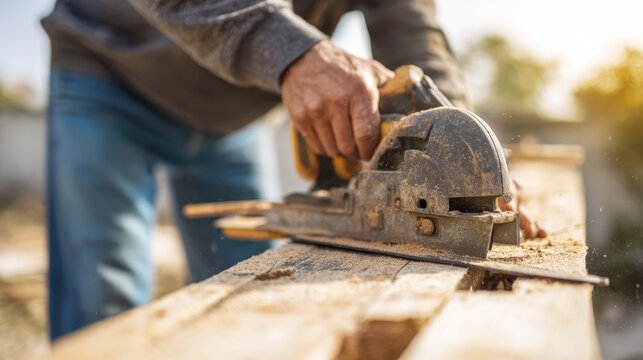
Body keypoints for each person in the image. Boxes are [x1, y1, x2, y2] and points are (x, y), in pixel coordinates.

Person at [42, 0, 544, 341]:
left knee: (251, 304)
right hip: (108, 72)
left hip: (235, 109)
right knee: (104, 311)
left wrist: (469, 168)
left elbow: (412, 34)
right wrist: (296, 53)